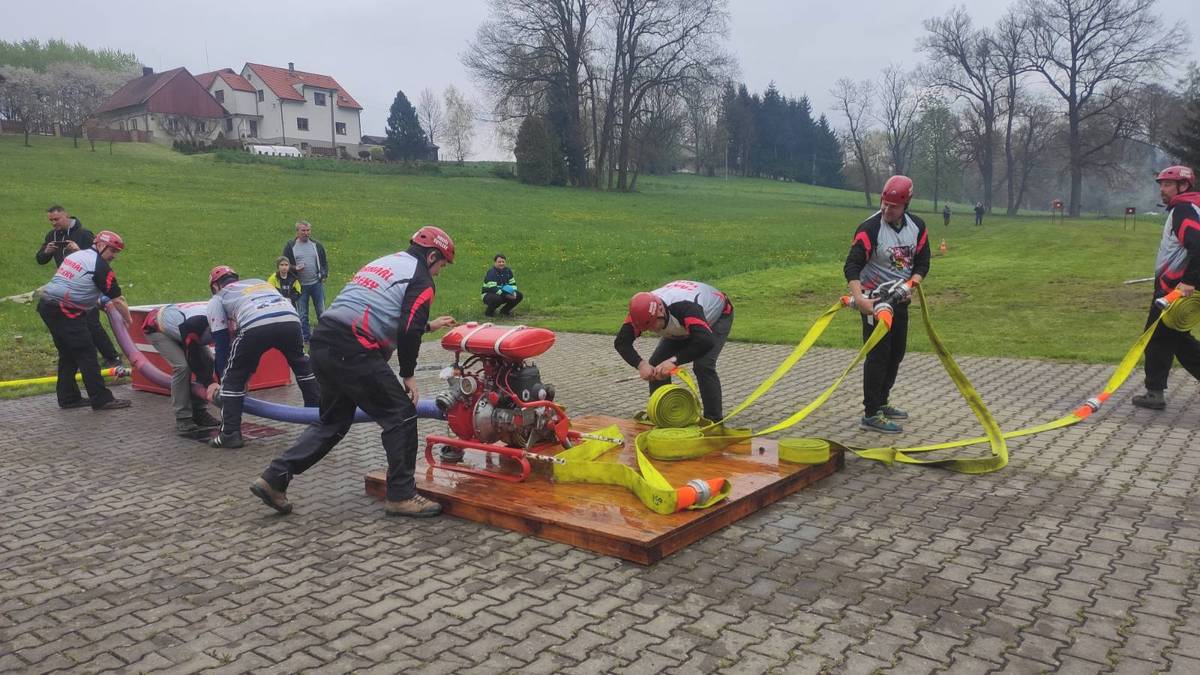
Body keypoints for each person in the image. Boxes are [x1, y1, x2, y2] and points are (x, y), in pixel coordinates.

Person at [250, 226, 458, 518]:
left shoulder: (386, 263)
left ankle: (273, 478)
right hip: (353, 348)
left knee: (332, 421)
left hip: (323, 342)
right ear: (432, 256)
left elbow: (378, 307)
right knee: (401, 414)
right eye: (441, 266)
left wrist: (428, 325)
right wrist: (408, 374)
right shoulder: (421, 278)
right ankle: (401, 495)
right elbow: (408, 328)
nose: (438, 273)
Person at [843, 175, 930, 433]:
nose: (886, 210)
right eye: (884, 203)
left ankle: (882, 401)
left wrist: (910, 285)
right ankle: (871, 413)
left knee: (896, 353)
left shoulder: (917, 226)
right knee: (878, 355)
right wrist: (860, 300)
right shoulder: (870, 228)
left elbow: (923, 263)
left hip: (899, 300)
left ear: (906, 205)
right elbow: (852, 265)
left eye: (893, 206)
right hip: (875, 302)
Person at [207, 266, 320, 448]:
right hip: (290, 319)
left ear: (215, 286)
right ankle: (316, 418)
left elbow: (221, 342)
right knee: (302, 367)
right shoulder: (259, 283)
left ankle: (230, 434)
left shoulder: (218, 297)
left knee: (232, 377)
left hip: (255, 324)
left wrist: (223, 381)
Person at [37, 230, 133, 411]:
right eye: (112, 251)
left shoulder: (78, 255)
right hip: (65, 310)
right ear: (100, 245)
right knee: (87, 353)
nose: (114, 256)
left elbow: (76, 282)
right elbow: (118, 300)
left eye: (117, 252)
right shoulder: (101, 267)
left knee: (68, 353)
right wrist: (128, 320)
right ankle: (102, 400)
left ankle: (68, 398)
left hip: (47, 306)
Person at [614, 280, 734, 422]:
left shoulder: (685, 307)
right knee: (656, 363)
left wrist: (673, 361)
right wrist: (641, 365)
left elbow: (705, 341)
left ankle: (714, 420)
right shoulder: (641, 313)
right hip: (684, 324)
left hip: (717, 316)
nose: (651, 330)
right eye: (646, 328)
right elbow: (621, 343)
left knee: (703, 366)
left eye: (652, 325)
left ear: (660, 312)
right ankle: (662, 415)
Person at [1131, 165, 1200, 410]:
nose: (1163, 189)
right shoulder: (1191, 207)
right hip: (1176, 287)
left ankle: (1154, 393)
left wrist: (1189, 281)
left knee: (1157, 338)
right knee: (1179, 341)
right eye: (1161, 184)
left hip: (1174, 290)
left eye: (1168, 184)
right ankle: (1155, 391)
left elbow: (1198, 244)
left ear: (1183, 186)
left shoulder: (1183, 209)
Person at [36, 205, 122, 368]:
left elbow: (100, 259)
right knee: (76, 329)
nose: (54, 223)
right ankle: (80, 358)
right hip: (67, 286)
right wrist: (47, 251)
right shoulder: (51, 235)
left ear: (66, 216)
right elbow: (40, 260)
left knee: (92, 324)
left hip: (87, 286)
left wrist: (78, 249)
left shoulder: (83, 234)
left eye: (56, 219)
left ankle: (112, 357)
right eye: (51, 220)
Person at [142, 302, 222, 435]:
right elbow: (193, 357)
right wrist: (210, 382)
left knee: (208, 361)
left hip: (183, 329)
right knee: (182, 367)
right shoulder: (197, 323)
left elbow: (224, 355)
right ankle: (183, 417)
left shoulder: (227, 323)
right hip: (158, 327)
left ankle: (199, 412)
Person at [282, 220, 329, 344]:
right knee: (302, 314)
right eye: (303, 230)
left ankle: (323, 336)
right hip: (300, 286)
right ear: (297, 232)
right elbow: (284, 264)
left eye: (308, 230)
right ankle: (306, 338)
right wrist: (294, 268)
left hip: (316, 284)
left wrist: (324, 274)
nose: (306, 233)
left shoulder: (316, 245)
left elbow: (324, 263)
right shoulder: (290, 246)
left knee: (321, 311)